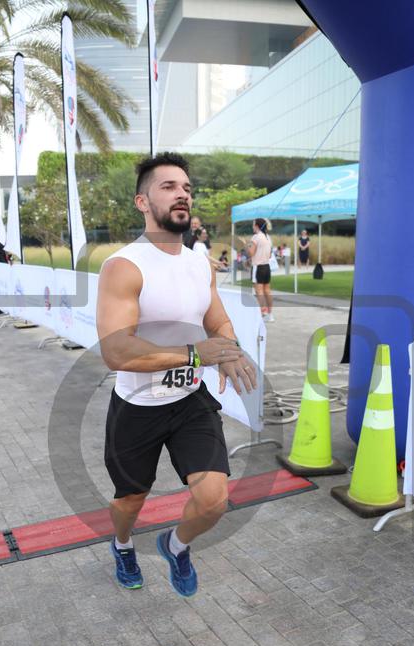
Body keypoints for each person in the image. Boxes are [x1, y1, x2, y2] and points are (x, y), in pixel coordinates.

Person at [96, 151, 256, 597]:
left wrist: (228, 349)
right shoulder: (124, 266)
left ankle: (175, 545)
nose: (181, 194)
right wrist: (195, 354)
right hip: (137, 406)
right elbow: (115, 351)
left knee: (214, 500)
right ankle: (122, 544)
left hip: (188, 402)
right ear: (142, 202)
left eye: (186, 187)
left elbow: (218, 320)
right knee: (131, 500)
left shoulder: (199, 263)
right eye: (168, 187)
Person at [247, 218, 274, 322]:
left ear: (257, 226)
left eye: (253, 225)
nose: (252, 227)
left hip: (258, 267)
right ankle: (270, 315)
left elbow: (251, 253)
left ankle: (263, 313)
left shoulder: (255, 237)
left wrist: (247, 245)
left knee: (259, 291)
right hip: (267, 267)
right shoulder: (268, 237)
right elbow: (270, 255)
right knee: (267, 290)